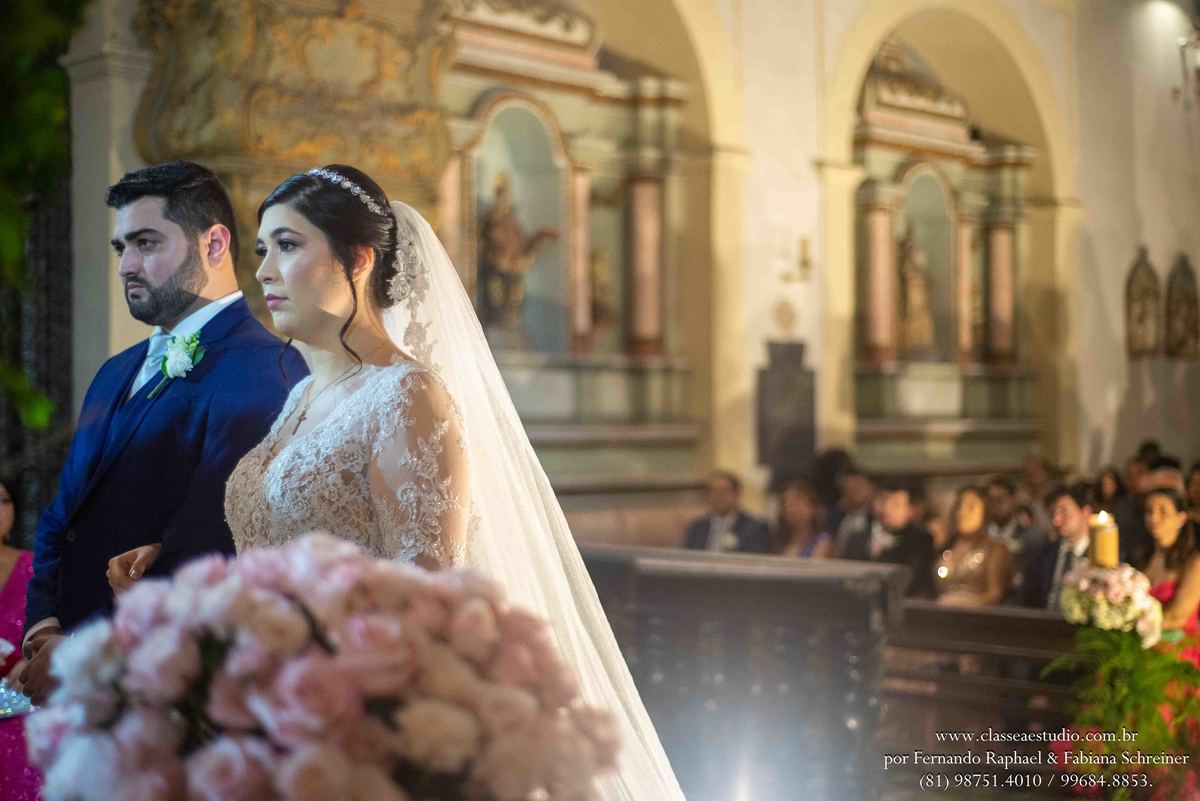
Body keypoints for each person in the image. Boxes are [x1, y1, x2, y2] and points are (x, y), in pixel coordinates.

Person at [118, 165, 687, 801]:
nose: (265, 272)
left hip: (357, 723)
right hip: (276, 710)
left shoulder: (408, 396)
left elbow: (424, 597)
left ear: (356, 259)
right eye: (261, 251)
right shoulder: (303, 395)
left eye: (288, 245)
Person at [18, 162, 307, 705]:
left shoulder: (268, 372)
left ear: (214, 244)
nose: (127, 264)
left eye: (147, 243)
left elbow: (210, 541)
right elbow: (65, 512)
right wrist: (44, 630)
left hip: (165, 683)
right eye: (120, 247)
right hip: (64, 680)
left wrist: (80, 649)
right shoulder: (115, 370)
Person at [0, 480, 39, 801]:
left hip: (24, 718)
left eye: (3, 500)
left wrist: (37, 658)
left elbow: (68, 632)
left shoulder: (37, 568)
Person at [842, 480, 935, 598]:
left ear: (910, 510)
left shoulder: (920, 541)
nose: (887, 509)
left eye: (896, 505)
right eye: (884, 501)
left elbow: (911, 580)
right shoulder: (857, 537)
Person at [936, 486, 1015, 607]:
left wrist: (964, 604)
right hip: (942, 618)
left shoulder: (995, 549)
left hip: (977, 620)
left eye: (971, 507)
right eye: (959, 506)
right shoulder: (947, 548)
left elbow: (996, 594)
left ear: (985, 511)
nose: (962, 512)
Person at [1140, 488, 1200, 637]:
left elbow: (1178, 616)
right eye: (1149, 511)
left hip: (1176, 646)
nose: (1154, 518)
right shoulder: (1142, 557)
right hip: (1138, 643)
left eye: (1163, 511)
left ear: (1181, 518)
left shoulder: (1193, 562)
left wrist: (1137, 627)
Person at [1025, 483, 1093, 610]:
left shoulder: (1100, 554)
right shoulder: (1042, 554)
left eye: (1063, 512)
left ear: (1085, 512)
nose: (1056, 520)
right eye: (1052, 514)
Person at [984, 477, 1043, 601]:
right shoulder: (980, 536)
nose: (997, 504)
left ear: (1014, 499)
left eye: (1002, 499)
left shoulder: (1032, 539)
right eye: (992, 500)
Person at [683, 471, 770, 553]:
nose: (718, 497)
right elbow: (688, 557)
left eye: (723, 491)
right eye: (713, 492)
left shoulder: (754, 528)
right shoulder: (698, 527)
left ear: (736, 494)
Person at [771, 478, 833, 558]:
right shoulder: (779, 540)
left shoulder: (822, 542)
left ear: (812, 507)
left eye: (796, 501)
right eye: (785, 502)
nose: (789, 508)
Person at [831, 467, 875, 557]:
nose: (853, 492)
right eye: (848, 488)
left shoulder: (877, 518)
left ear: (871, 486)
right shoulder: (836, 516)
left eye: (857, 487)